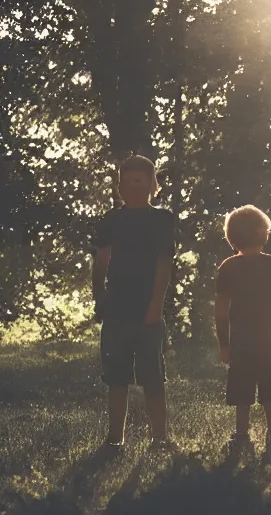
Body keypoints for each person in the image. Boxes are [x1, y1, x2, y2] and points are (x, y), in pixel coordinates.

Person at [91, 154, 175, 450]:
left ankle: (160, 437)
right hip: (116, 309)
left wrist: (156, 304)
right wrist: (99, 297)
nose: (133, 186)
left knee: (153, 377)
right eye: (127, 182)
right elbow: (101, 262)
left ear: (153, 184)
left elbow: (164, 266)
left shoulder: (162, 220)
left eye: (140, 181)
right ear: (119, 187)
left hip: (147, 309)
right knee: (117, 378)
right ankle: (115, 438)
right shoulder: (111, 220)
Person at [215, 205, 271, 457]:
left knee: (241, 390)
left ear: (232, 236)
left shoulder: (227, 267)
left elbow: (221, 312)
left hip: (239, 339)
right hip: (268, 337)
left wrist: (224, 345)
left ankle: (241, 436)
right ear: (262, 232)